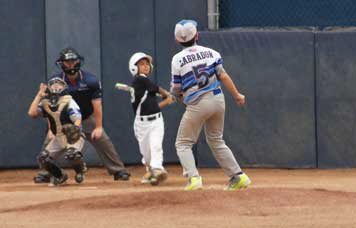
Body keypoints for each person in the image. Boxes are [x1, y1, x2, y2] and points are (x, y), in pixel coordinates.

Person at [170, 19, 251, 191]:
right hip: (218, 99)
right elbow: (223, 76)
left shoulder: (177, 59)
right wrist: (237, 95)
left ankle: (193, 178)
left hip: (198, 103)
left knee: (183, 143)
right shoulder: (212, 53)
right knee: (216, 140)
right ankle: (238, 176)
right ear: (197, 36)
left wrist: (177, 96)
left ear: (177, 40)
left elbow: (176, 88)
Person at [33, 47, 130, 183]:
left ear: (79, 61)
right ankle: (45, 172)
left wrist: (99, 126)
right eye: (67, 62)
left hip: (86, 117)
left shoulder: (91, 81)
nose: (71, 64)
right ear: (61, 63)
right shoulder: (55, 82)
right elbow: (50, 108)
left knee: (103, 141)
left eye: (73, 61)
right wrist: (51, 129)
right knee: (47, 146)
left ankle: (118, 170)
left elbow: (97, 105)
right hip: (62, 120)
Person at [28, 77, 87, 185]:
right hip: (58, 136)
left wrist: (75, 130)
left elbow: (77, 118)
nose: (56, 86)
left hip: (73, 136)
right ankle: (60, 176)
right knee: (43, 158)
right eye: (53, 84)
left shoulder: (68, 100)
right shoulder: (46, 102)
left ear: (64, 87)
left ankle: (80, 170)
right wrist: (39, 96)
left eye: (59, 84)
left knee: (72, 155)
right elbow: (32, 113)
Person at [128, 52, 175, 185]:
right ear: (134, 67)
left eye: (147, 64)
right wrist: (168, 95)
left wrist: (167, 100)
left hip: (156, 121)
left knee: (156, 146)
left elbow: (154, 106)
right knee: (146, 153)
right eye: (141, 64)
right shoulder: (140, 80)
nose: (146, 66)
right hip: (141, 123)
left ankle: (157, 169)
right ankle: (151, 170)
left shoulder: (145, 86)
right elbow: (158, 89)